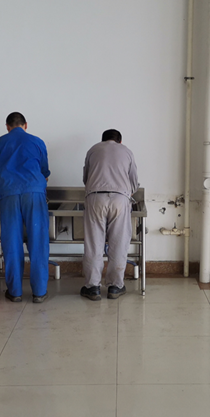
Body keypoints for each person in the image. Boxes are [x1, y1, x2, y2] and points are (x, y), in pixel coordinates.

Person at [0, 112, 50, 303]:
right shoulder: (37, 142)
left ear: (7, 127)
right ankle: (39, 292)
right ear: (25, 125)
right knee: (38, 241)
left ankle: (15, 292)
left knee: (11, 242)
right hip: (34, 193)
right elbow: (44, 171)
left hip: (9, 194)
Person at [81, 129, 139, 301]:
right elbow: (133, 182)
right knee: (119, 243)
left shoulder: (93, 150)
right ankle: (115, 286)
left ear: (103, 140)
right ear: (119, 141)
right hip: (120, 199)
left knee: (94, 244)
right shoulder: (127, 151)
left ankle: (93, 287)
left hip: (95, 198)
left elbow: (86, 178)